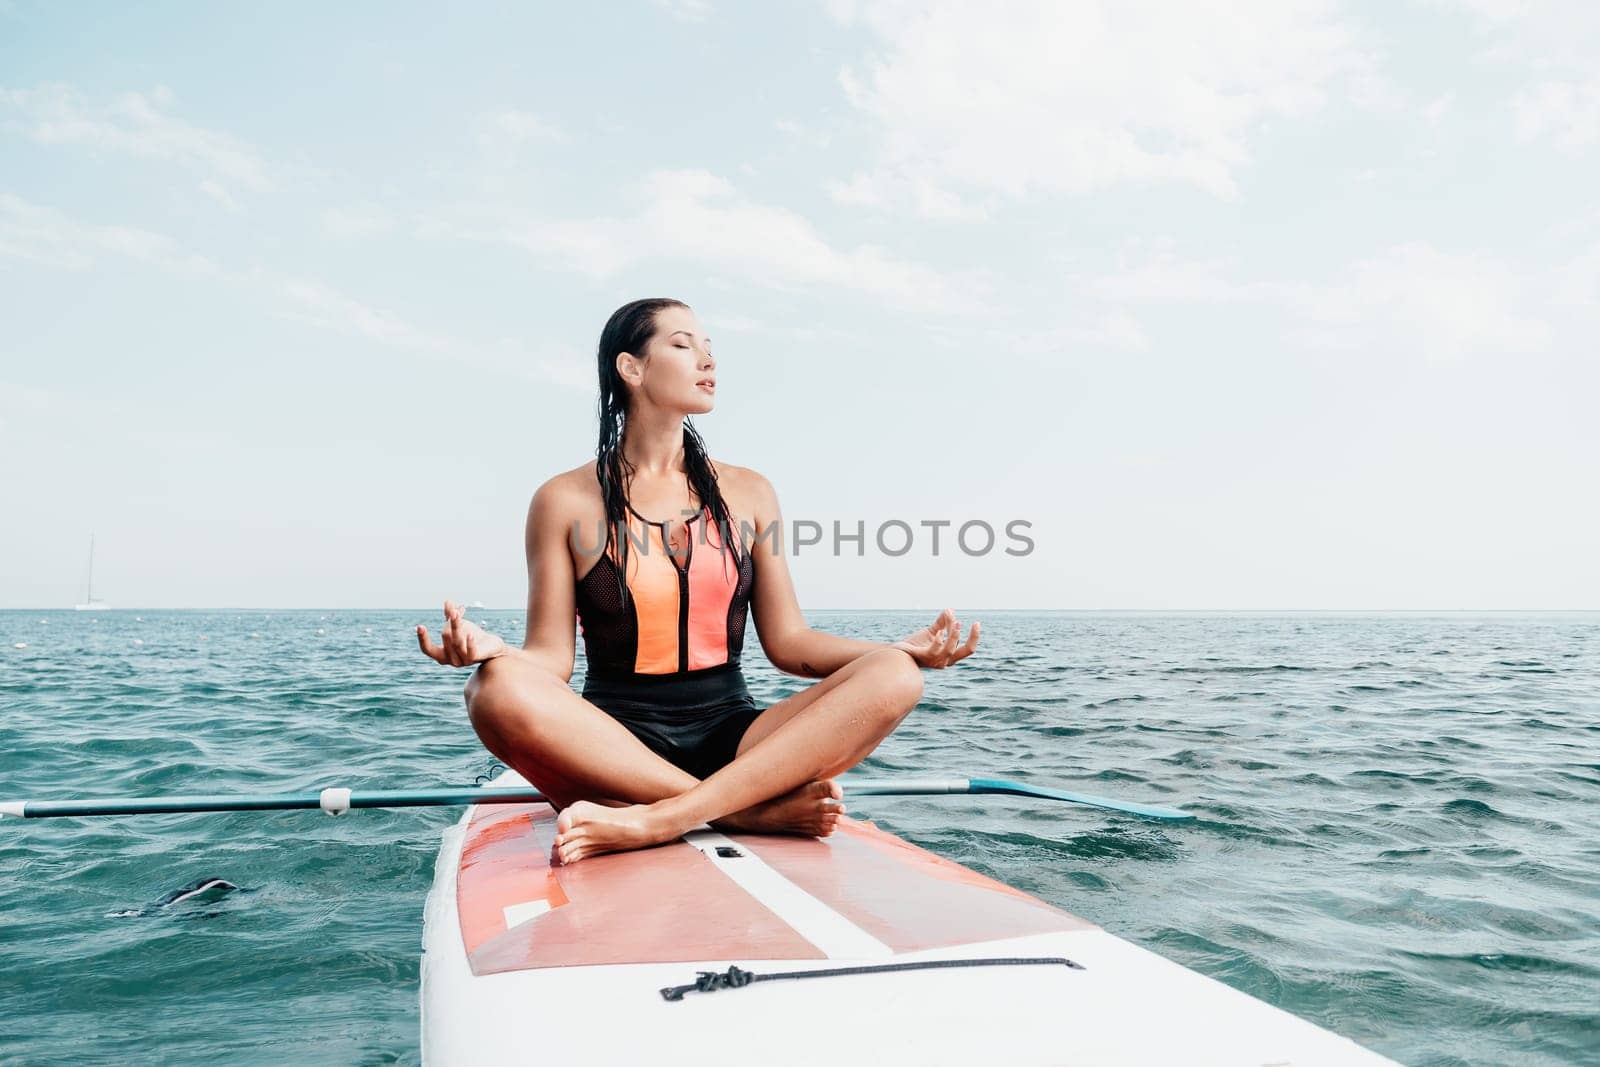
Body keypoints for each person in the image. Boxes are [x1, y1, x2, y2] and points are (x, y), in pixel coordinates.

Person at [417, 298, 979, 864]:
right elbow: (551, 660)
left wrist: (895, 649)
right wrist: (494, 652)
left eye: (710, 350)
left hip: (735, 736)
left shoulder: (751, 492)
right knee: (492, 689)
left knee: (896, 676)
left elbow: (789, 643)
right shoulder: (562, 500)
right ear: (630, 368)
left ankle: (659, 818)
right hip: (613, 744)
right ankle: (741, 812)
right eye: (684, 346)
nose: (707, 361)